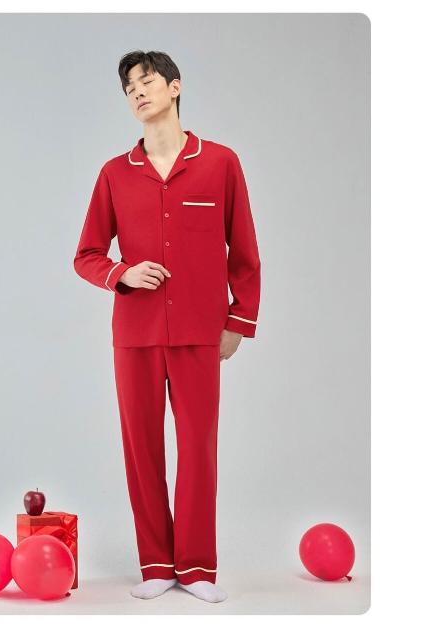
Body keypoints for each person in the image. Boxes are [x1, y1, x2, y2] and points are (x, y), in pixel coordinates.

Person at [73, 50, 261, 603]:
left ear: (175, 87)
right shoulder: (114, 174)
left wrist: (238, 321)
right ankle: (156, 563)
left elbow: (245, 252)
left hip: (201, 333)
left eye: (147, 81)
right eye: (129, 86)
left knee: (198, 449)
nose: (137, 91)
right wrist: (122, 273)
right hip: (135, 334)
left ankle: (198, 568)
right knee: (142, 449)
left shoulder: (220, 163)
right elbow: (86, 254)